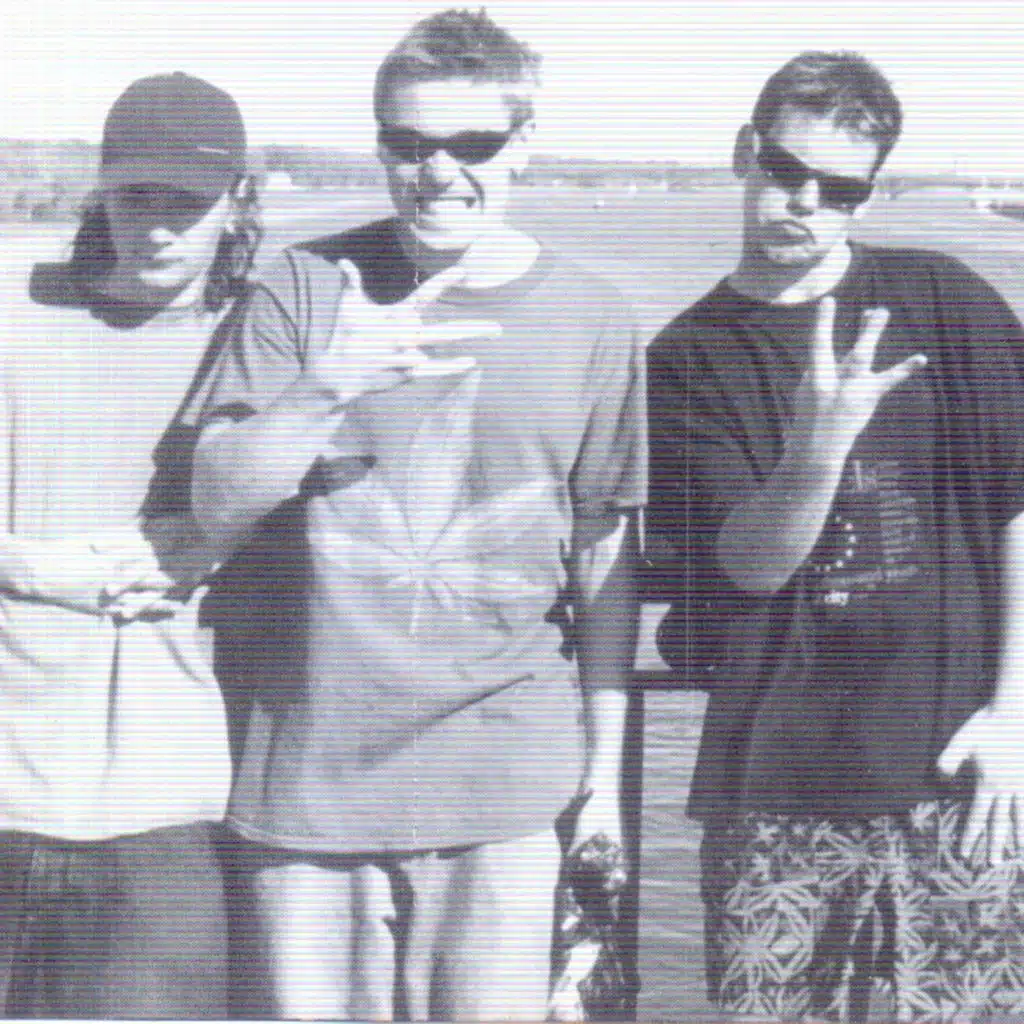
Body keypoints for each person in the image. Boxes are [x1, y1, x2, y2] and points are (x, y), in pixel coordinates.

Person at [185, 9, 646, 1021]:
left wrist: (604, 785)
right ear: (381, 143)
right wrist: (327, 385)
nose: (439, 172)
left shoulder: (593, 318)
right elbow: (213, 506)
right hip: (306, 790)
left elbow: (606, 559)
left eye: (472, 143)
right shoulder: (302, 289)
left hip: (505, 786)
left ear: (523, 143)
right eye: (409, 143)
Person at [647, 51, 1024, 1022]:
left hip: (958, 774)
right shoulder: (687, 357)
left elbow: (1019, 503)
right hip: (770, 790)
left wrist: (1015, 712)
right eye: (786, 169)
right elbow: (748, 564)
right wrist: (820, 446)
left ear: (869, 193)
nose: (805, 202)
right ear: (746, 151)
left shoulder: (943, 299)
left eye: (840, 187)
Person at [0, 72, 260, 1019]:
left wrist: (217, 538)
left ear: (239, 203)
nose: (156, 229)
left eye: (185, 204)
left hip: (172, 807)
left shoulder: (264, 338)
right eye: (134, 198)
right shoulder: (13, 312)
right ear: (99, 195)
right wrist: (34, 566)